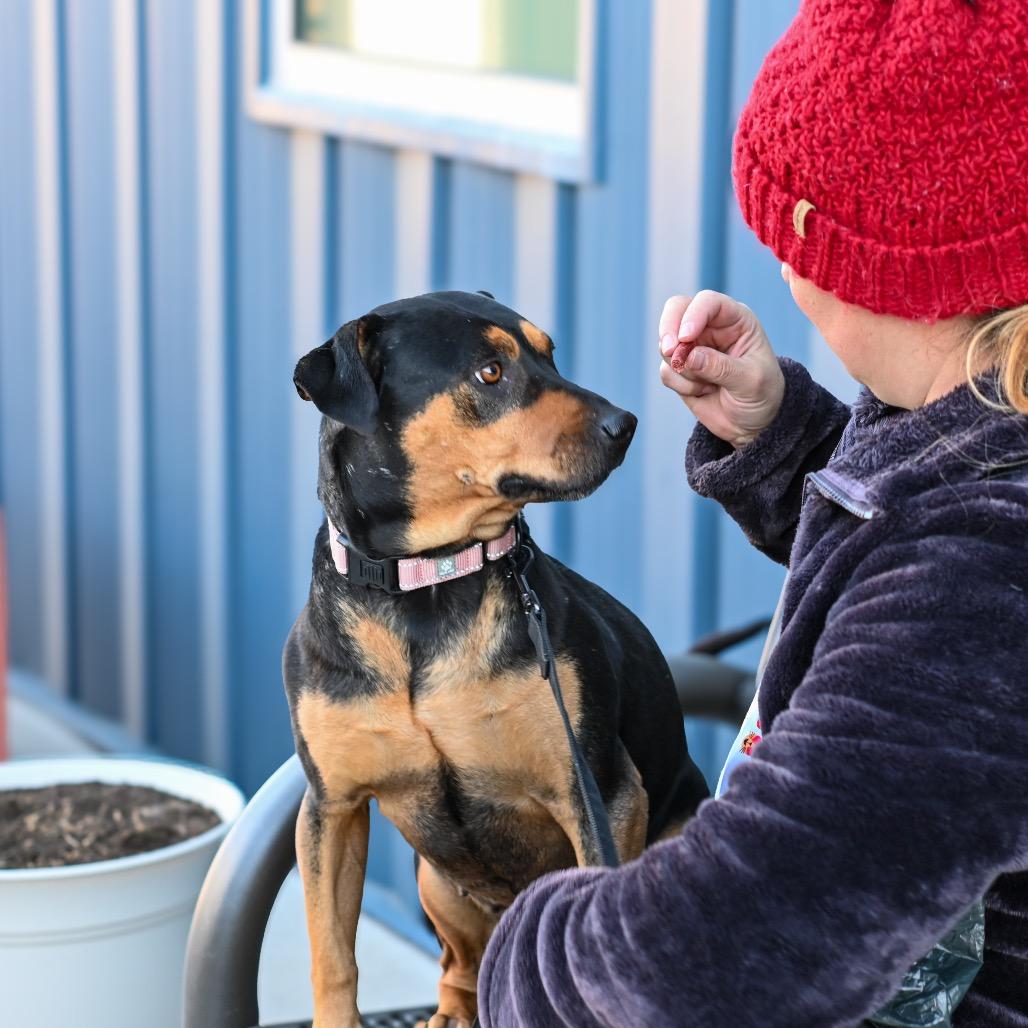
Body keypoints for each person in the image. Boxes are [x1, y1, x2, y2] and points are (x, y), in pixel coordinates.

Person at [476, 1, 1028, 1025]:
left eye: (789, 231)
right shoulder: (980, 423)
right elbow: (905, 555)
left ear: (872, 267)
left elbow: (717, 961)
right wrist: (779, 437)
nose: (779, 257)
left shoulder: (987, 578)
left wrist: (524, 950)